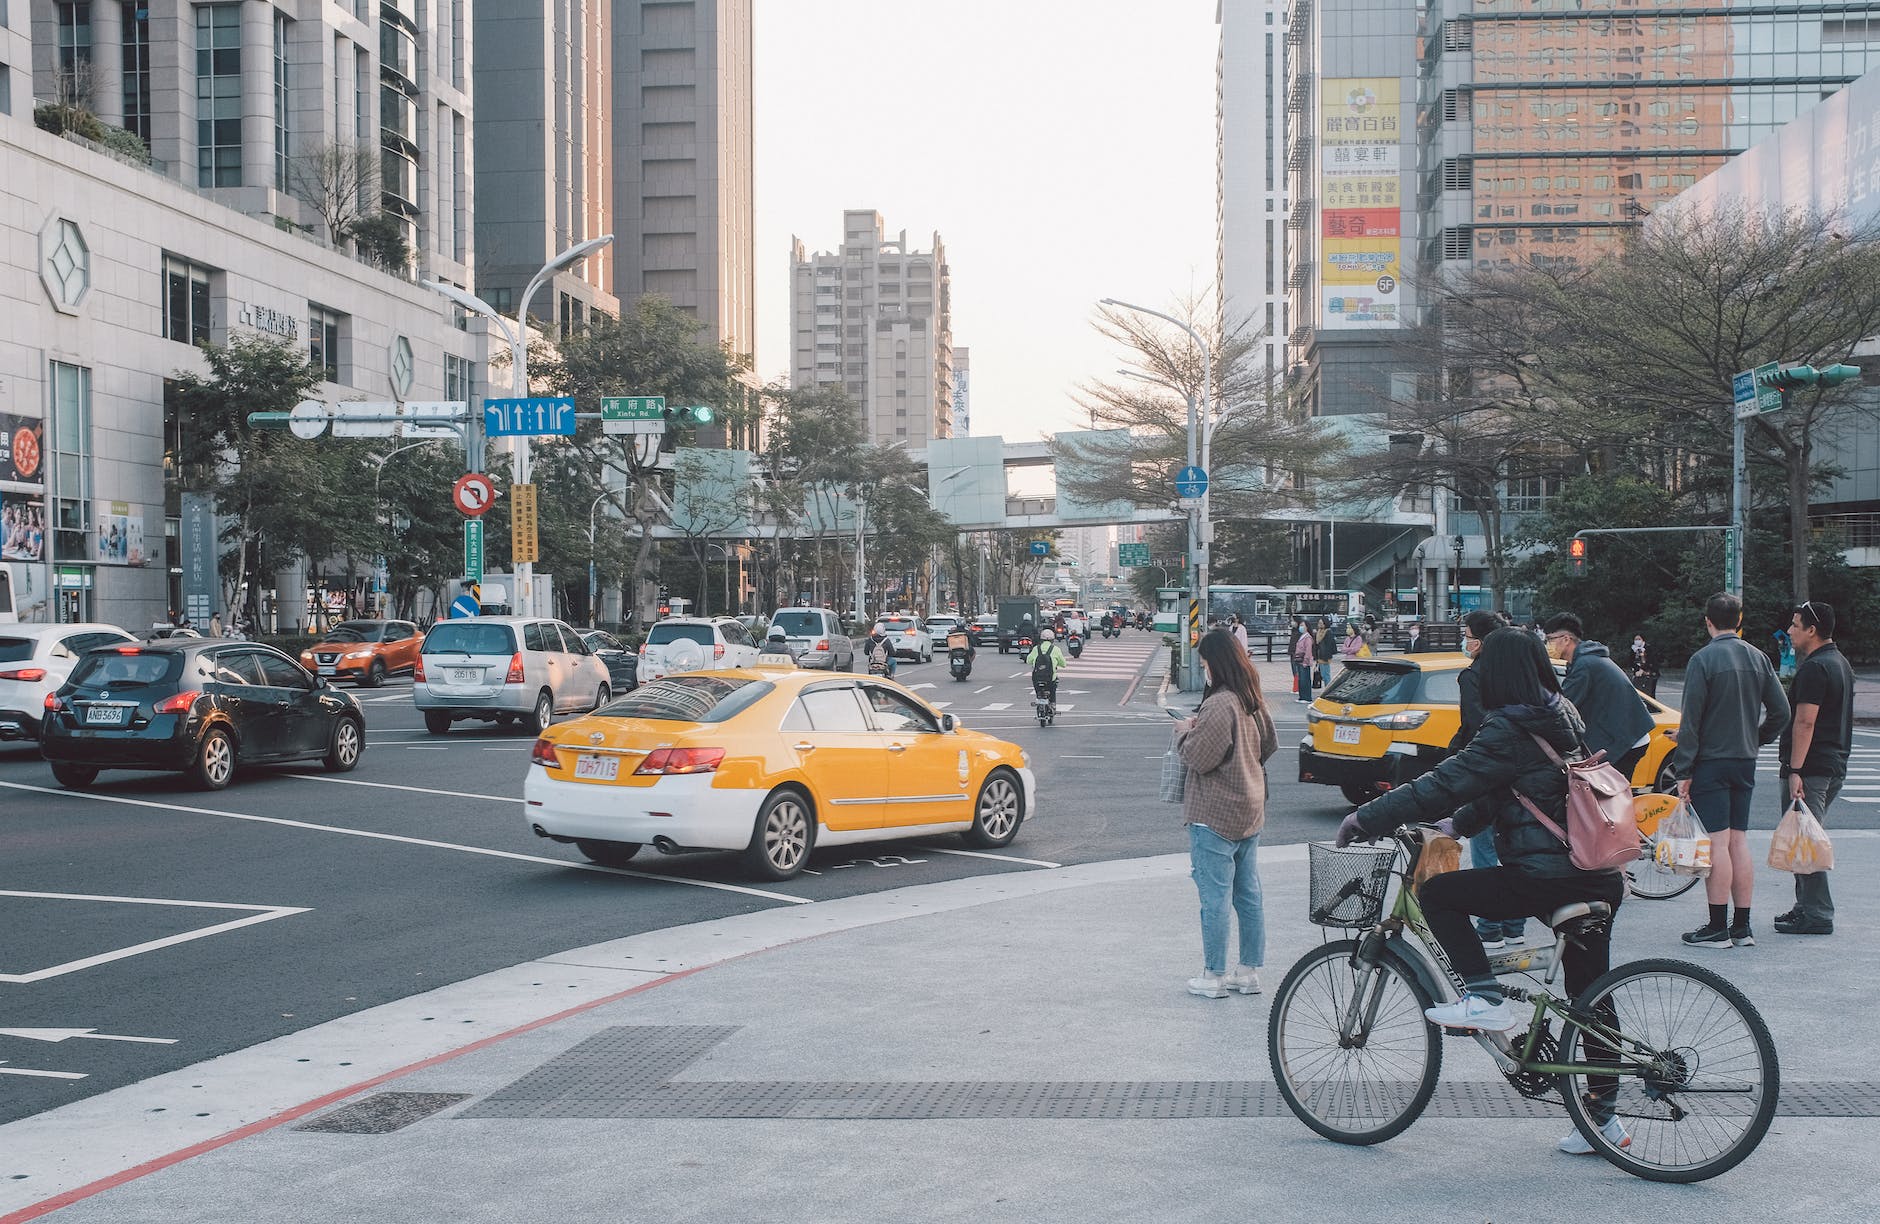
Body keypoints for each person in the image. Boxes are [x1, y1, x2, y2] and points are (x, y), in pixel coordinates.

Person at [1338, 628, 1629, 1154]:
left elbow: (1445, 781)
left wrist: (1366, 817)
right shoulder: (1559, 713)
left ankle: (1485, 997)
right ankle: (1603, 1121)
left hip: (1548, 875)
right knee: (1591, 998)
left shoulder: (1508, 728)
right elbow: (1510, 788)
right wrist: (1458, 827)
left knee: (1442, 895)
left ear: (1495, 674)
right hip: (1597, 871)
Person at [1670, 592, 1789, 949]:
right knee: (1739, 841)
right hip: (1744, 760)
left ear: (1708, 621)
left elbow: (1691, 722)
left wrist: (1683, 771)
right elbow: (1781, 712)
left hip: (1711, 761)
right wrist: (1756, 738)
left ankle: (1717, 926)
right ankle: (1742, 927)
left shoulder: (1702, 660)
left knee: (1717, 842)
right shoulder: (1758, 657)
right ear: (1740, 620)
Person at [1174, 628, 1278, 999]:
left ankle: (1213, 974)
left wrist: (1185, 732)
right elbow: (1269, 745)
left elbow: (1200, 758)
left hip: (1215, 813)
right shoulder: (1252, 698)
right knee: (1247, 893)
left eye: (1204, 663)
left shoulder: (1220, 703)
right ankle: (1248, 971)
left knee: (1214, 897)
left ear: (1214, 663)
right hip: (1250, 807)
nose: (1203, 669)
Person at [1776, 600, 1852, 936]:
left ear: (1812, 630)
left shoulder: (1814, 668)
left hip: (1811, 767)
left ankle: (1818, 913)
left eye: (1795, 625)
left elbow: (1805, 722)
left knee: (1805, 838)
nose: (1789, 631)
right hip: (1831, 763)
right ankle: (1804, 907)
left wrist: (1795, 770)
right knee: (1801, 838)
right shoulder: (1840, 663)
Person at [1451, 610, 1526, 950]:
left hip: (1484, 772)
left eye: (1466, 635)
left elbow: (1474, 727)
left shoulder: (1473, 676)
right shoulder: (1515, 672)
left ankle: (1489, 927)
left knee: (1483, 848)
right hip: (1518, 772)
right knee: (1511, 847)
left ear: (1479, 642)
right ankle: (1515, 925)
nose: (1464, 640)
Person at [1543, 612, 1656, 782]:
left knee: (1608, 801)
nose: (1547, 644)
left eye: (1550, 639)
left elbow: (1564, 707)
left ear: (1566, 639)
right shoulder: (1588, 659)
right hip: (1630, 736)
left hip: (1625, 741)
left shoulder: (1584, 665)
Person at [1025, 628, 1068, 705]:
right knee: (1053, 689)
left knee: (1037, 690)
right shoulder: (1056, 649)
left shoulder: (1036, 649)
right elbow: (1064, 664)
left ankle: (1038, 697)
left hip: (1037, 678)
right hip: (1050, 679)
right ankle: (1053, 704)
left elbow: (1028, 661)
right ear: (1052, 640)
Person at [1291, 619, 1315, 703]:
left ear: (1307, 627)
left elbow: (1308, 650)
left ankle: (1307, 697)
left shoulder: (1308, 637)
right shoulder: (1302, 636)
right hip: (1299, 660)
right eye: (1300, 625)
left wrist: (1306, 661)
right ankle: (1302, 696)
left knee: (1305, 679)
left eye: (1303, 625)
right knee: (1301, 679)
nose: (1301, 627)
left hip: (1304, 661)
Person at [1629, 632, 1659, 698]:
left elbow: (1651, 660)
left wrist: (1642, 669)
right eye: (1636, 639)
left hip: (1651, 672)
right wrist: (1637, 670)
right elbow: (1631, 661)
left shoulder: (1648, 648)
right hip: (1638, 673)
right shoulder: (1633, 649)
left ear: (1643, 640)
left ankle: (1651, 707)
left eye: (1639, 639)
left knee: (1650, 693)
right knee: (1639, 692)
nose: (1637, 641)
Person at [1312, 617, 1337, 687]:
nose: (1319, 624)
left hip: (1325, 657)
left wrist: (1326, 657)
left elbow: (1329, 646)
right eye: (1318, 623)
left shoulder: (1328, 632)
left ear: (1325, 624)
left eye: (1321, 623)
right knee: (1323, 674)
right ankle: (1326, 688)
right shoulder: (1318, 632)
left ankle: (1328, 689)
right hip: (1319, 656)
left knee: (1326, 675)